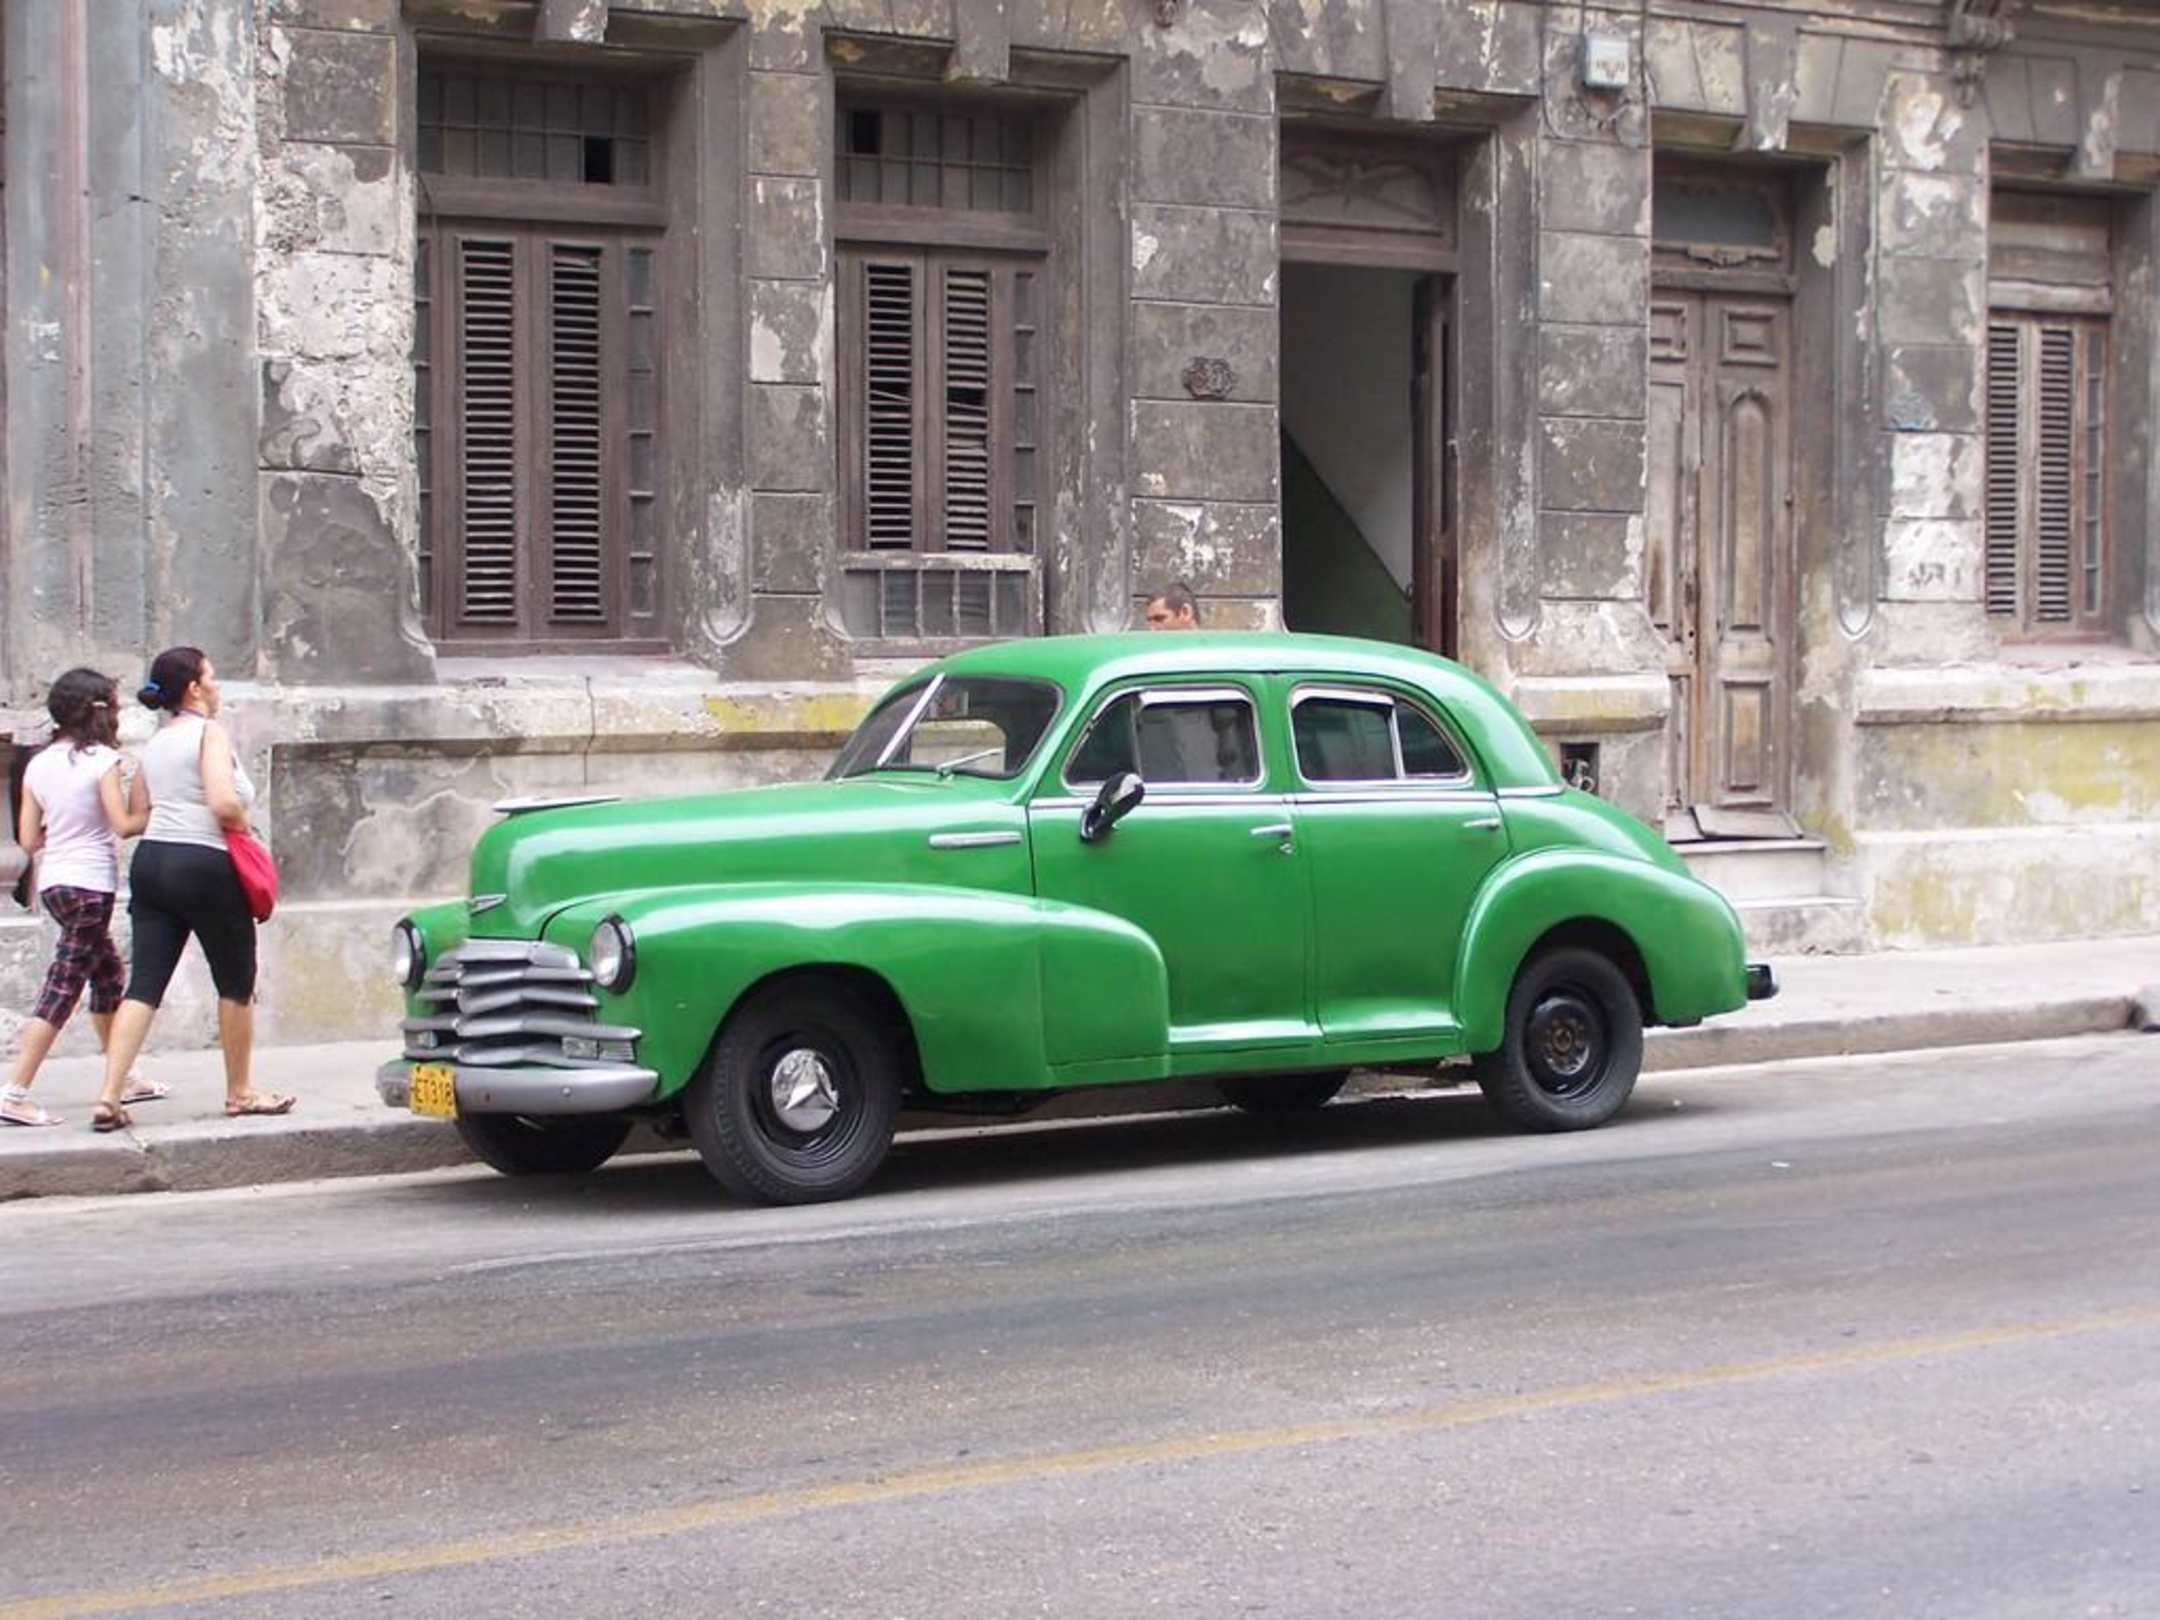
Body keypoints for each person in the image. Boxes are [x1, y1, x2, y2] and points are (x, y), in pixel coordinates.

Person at [90, 648, 293, 1132]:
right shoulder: (209, 733)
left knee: (145, 983)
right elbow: (222, 803)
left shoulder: (156, 743)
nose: (217, 686)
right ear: (195, 689)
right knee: (236, 979)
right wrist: (245, 828)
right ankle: (240, 1091)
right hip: (203, 862)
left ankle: (109, 1094)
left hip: (152, 862)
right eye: (212, 676)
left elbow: (137, 816)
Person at [3, 670, 163, 1127]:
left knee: (108, 977)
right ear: (100, 710)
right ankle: (14, 1091)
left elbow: (28, 840)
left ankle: (124, 1075)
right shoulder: (103, 761)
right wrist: (152, 803)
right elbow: (123, 825)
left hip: (56, 885)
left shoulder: (39, 764)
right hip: (91, 886)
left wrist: (64, 823)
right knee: (63, 987)